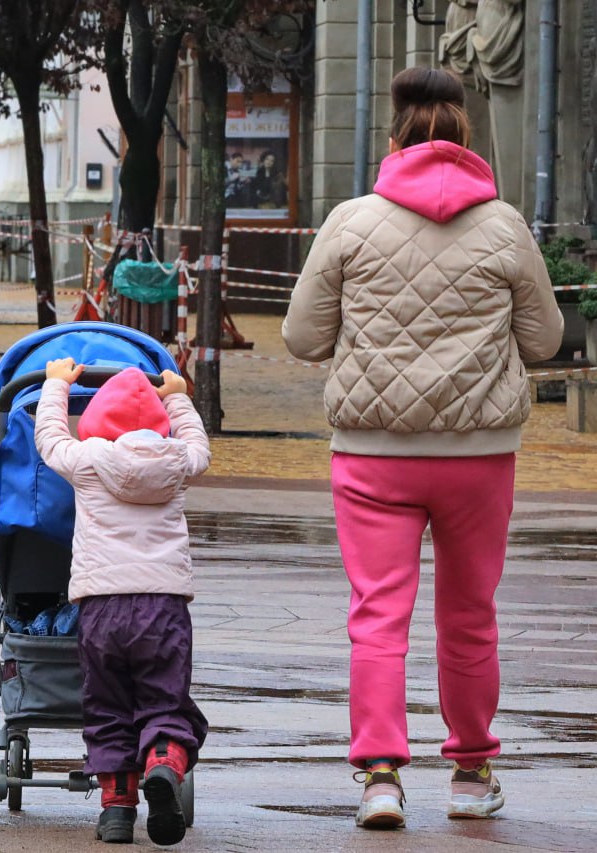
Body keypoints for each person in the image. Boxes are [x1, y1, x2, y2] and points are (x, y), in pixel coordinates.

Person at [282, 66, 563, 830]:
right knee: (470, 613)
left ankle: (380, 775)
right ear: (465, 136)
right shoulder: (504, 224)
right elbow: (545, 339)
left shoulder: (351, 222)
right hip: (478, 453)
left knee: (378, 615)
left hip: (374, 450)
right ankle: (471, 773)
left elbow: (303, 336)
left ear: (395, 136)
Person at [34, 360, 210, 846]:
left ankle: (115, 812)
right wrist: (176, 395)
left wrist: (56, 386)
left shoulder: (88, 460)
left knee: (108, 707)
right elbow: (200, 446)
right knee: (164, 700)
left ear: (96, 424)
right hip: (164, 608)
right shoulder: (176, 462)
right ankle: (163, 763)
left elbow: (49, 439)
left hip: (102, 609)